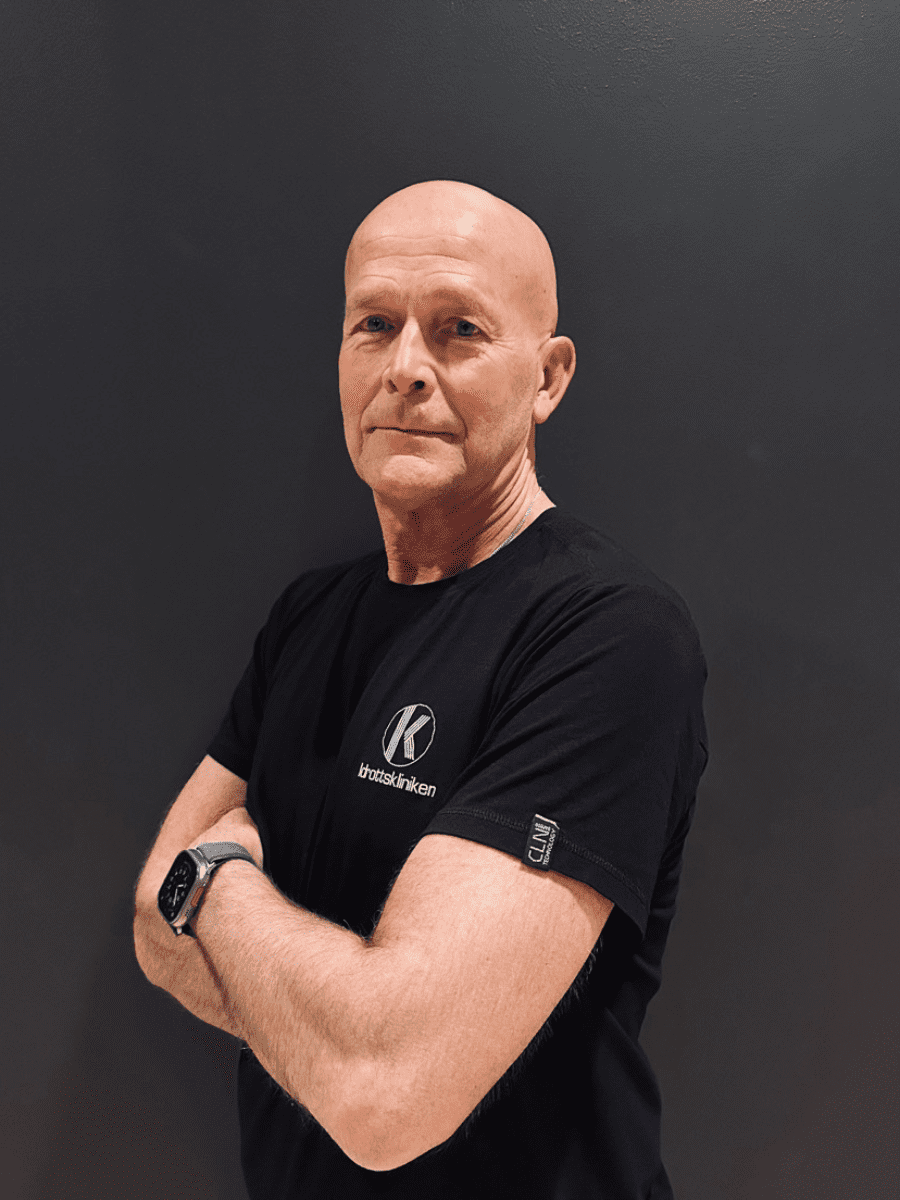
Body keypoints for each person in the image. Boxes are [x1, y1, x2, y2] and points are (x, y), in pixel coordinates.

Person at [133, 179, 708, 1199]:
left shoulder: (608, 634)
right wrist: (336, 1018)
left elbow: (384, 1091)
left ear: (548, 377)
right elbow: (150, 923)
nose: (405, 367)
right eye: (374, 325)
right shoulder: (309, 616)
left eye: (459, 330)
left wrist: (219, 877)